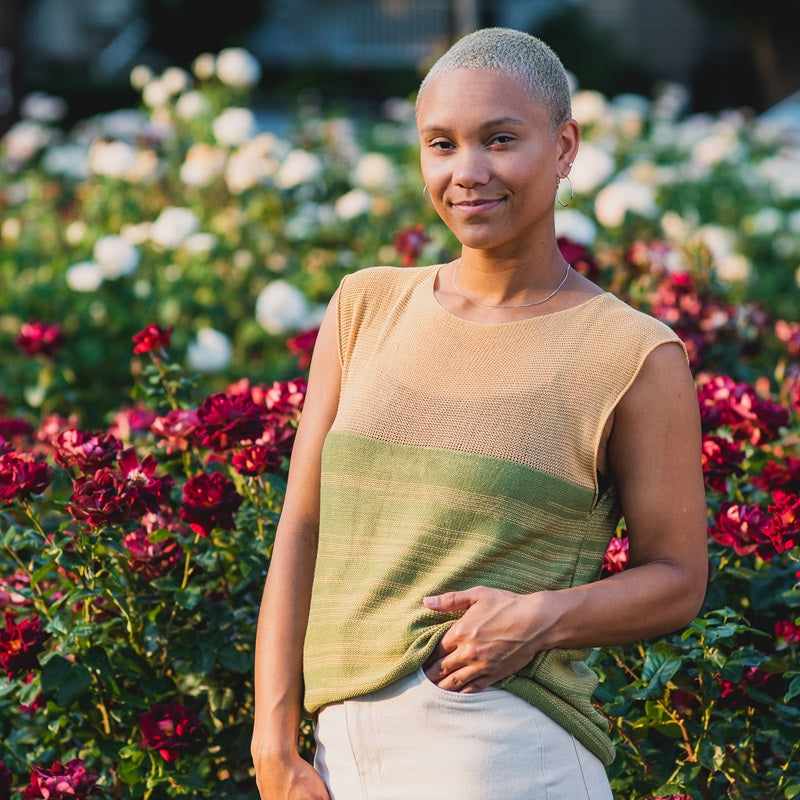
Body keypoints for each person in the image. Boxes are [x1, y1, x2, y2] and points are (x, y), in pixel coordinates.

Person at [250, 27, 707, 800]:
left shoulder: (631, 353)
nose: (468, 172)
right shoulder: (364, 306)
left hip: (505, 754)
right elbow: (302, 527)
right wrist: (273, 740)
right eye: (441, 144)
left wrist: (540, 618)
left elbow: (677, 581)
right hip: (336, 761)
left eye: (500, 140)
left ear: (564, 147)